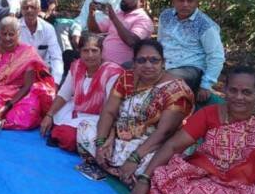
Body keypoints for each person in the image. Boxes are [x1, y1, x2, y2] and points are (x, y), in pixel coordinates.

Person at [76, 39, 194, 185]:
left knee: (153, 167)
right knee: (85, 127)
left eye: (154, 60)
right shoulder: (127, 78)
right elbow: (109, 111)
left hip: (152, 144)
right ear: (134, 63)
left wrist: (134, 158)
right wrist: (101, 143)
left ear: (163, 62)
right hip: (120, 135)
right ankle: (117, 168)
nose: (148, 65)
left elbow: (164, 133)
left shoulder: (177, 91)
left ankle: (112, 167)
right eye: (141, 60)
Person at [39, 33, 123, 151]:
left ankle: (61, 132)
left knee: (68, 136)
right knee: (46, 106)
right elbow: (64, 94)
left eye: (94, 50)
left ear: (102, 52)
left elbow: (111, 109)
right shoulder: (77, 66)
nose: (90, 55)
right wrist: (49, 115)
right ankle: (60, 130)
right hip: (77, 109)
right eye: (85, 51)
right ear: (79, 52)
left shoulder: (112, 72)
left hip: (99, 117)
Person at [0, 16, 56, 130]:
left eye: (11, 34)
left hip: (21, 95)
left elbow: (27, 86)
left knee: (27, 116)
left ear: (18, 33)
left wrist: (6, 107)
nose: (7, 38)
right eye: (4, 34)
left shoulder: (27, 52)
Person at [157, 0, 225, 104]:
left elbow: (216, 56)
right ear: (173, 1)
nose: (185, 4)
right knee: (130, 68)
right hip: (163, 62)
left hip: (189, 68)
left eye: (190, 1)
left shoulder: (205, 25)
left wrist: (206, 85)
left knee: (165, 82)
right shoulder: (166, 15)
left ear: (196, 3)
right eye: (181, 0)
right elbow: (160, 41)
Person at [56, 0, 125, 55]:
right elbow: (83, 15)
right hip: (86, 26)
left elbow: (113, 23)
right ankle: (66, 56)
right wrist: (76, 31)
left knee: (92, 37)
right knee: (60, 26)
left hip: (103, 32)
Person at [87, 0, 154, 67]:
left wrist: (113, 18)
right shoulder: (119, 14)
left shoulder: (144, 20)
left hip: (124, 67)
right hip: (103, 63)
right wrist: (91, 14)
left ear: (142, 2)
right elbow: (94, 30)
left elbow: (132, 41)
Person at [18, 0, 64, 84]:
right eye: (25, 8)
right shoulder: (15, 28)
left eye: (33, 7)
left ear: (39, 9)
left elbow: (56, 57)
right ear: (21, 10)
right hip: (19, 73)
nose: (29, 10)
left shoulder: (48, 28)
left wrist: (55, 82)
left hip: (42, 73)